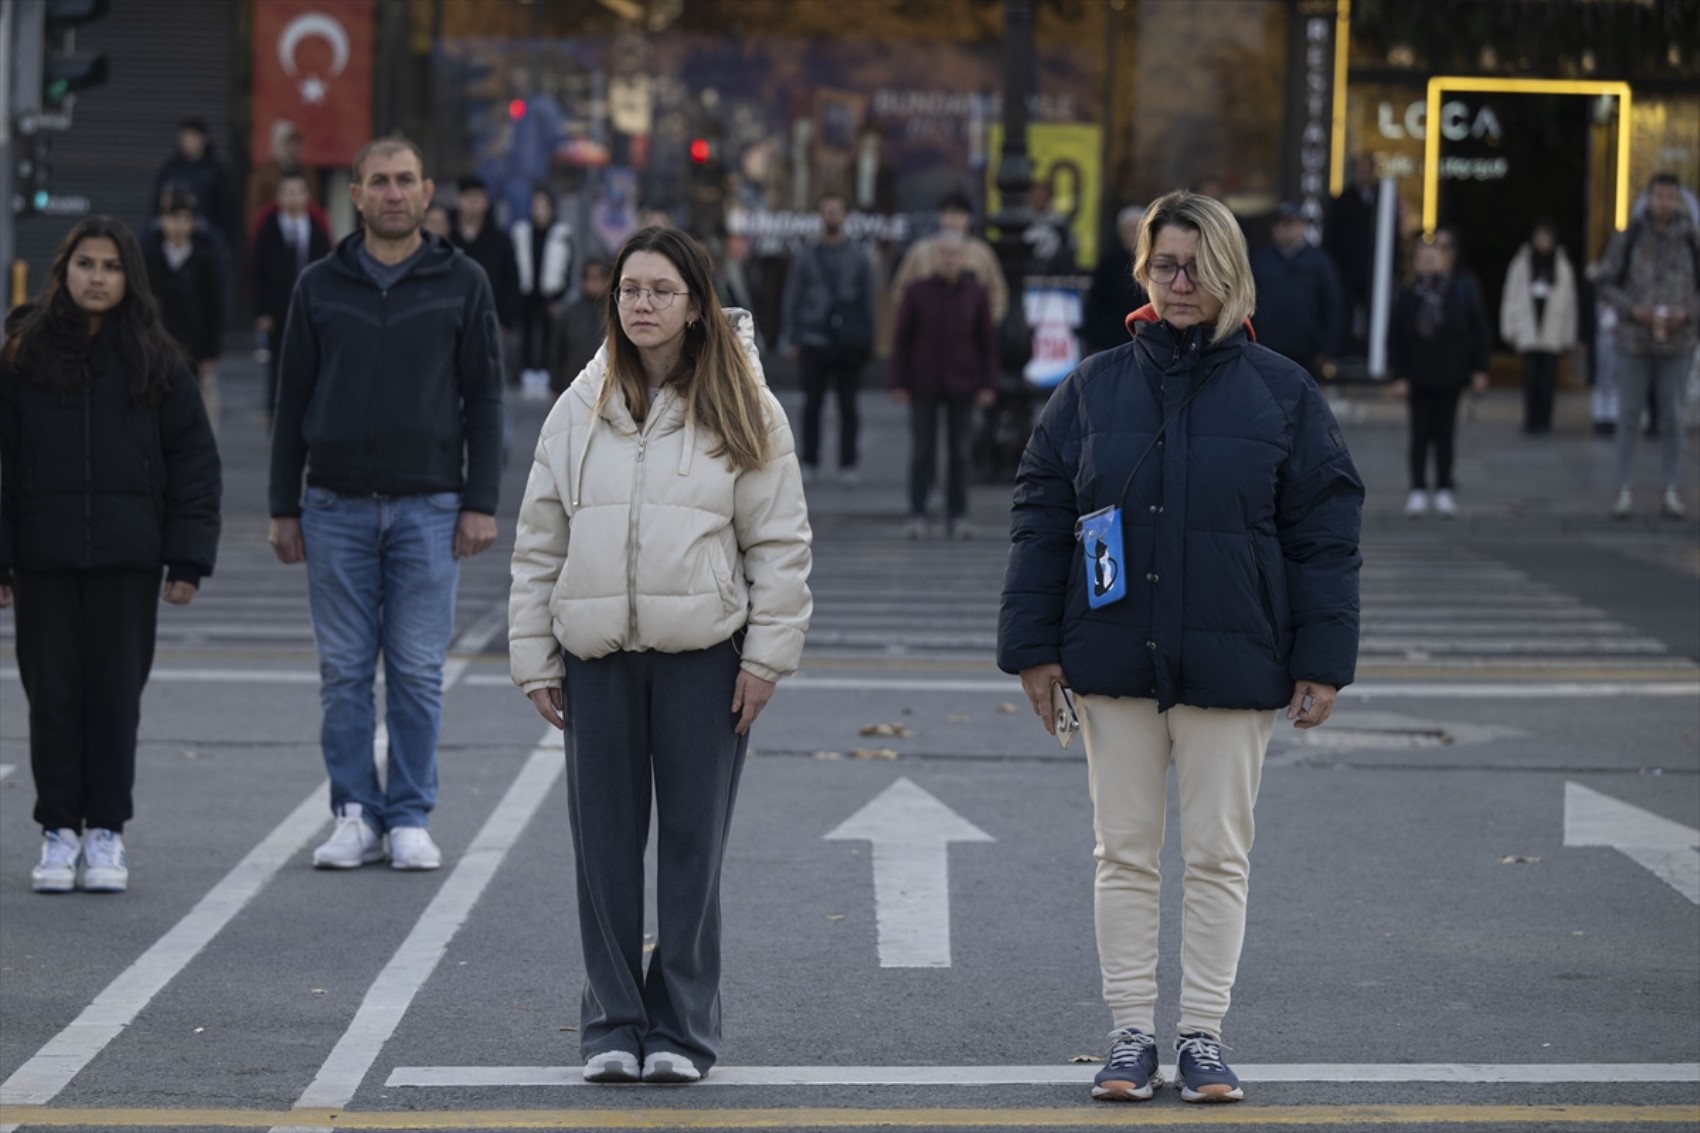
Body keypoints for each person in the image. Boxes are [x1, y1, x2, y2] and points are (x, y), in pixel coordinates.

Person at [997, 190, 1362, 1106]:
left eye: (1198, 266)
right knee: (1121, 851)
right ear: (1143, 271)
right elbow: (1041, 518)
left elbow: (1325, 531)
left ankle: (1202, 1034)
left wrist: (1323, 658)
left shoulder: (1283, 391)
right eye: (1166, 264)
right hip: (1114, 656)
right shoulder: (1093, 386)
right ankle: (1129, 1035)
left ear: (1232, 271)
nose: (1181, 281)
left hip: (1235, 660)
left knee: (1217, 855)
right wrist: (1032, 651)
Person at [508, 226, 812, 1085]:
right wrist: (535, 655)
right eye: (629, 289)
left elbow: (780, 542)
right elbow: (541, 536)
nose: (641, 304)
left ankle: (681, 1028)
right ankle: (612, 1021)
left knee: (691, 845)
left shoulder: (743, 405)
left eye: (660, 290)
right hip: (597, 656)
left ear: (696, 303)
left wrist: (765, 659)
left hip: (704, 656)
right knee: (602, 847)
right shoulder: (581, 402)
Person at [268, 136, 505, 872]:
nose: (394, 193)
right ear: (358, 196)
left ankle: (407, 813)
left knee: (414, 669)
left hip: (429, 506)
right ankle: (353, 811)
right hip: (333, 505)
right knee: (343, 671)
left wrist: (481, 501)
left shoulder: (462, 281)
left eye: (406, 179)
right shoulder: (318, 284)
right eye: (380, 181)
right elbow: (292, 398)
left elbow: (486, 397)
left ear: (427, 191)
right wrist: (283, 503)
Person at [0, 216, 221, 894]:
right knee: (53, 698)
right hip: (44, 558)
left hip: (129, 560)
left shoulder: (158, 360)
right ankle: (58, 830)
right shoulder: (22, 354)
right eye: (86, 263)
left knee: (115, 698)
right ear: (63, 270)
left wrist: (186, 559)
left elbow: (194, 463)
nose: (97, 277)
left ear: (130, 278)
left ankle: (106, 833)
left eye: (111, 266)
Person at [1597, 172, 1699, 519]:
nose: (1664, 203)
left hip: (1678, 341)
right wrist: (1632, 310)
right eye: (1659, 196)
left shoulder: (1691, 240)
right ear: (1648, 198)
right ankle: (1623, 490)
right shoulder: (1629, 237)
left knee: (1673, 417)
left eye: (1671, 197)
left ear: (1679, 201)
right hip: (1634, 341)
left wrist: (1686, 313)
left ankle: (1670, 490)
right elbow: (1605, 280)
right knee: (1628, 417)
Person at [889, 232, 997, 539]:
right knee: (922, 449)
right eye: (943, 254)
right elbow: (901, 341)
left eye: (954, 254)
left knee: (960, 452)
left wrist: (988, 383)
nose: (948, 260)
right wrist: (898, 381)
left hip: (963, 382)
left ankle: (958, 515)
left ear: (963, 259)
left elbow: (987, 342)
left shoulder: (976, 292)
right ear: (933, 258)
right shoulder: (916, 291)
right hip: (923, 381)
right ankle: (917, 512)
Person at [1388, 237, 1491, 518]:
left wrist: (1479, 369)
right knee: (1419, 434)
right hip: (1417, 375)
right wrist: (1398, 375)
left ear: (1445, 261)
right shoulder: (1408, 295)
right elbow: (1395, 337)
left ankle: (1444, 488)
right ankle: (1418, 489)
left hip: (1451, 374)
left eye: (1434, 257)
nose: (1429, 262)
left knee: (1445, 434)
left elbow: (1476, 331)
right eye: (1423, 258)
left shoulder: (1459, 292)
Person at [780, 192, 876, 483]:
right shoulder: (807, 256)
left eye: (836, 210)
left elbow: (868, 301)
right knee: (812, 405)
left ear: (845, 214)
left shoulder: (859, 257)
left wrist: (868, 341)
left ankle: (848, 463)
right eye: (827, 211)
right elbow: (792, 296)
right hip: (813, 338)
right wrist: (792, 336)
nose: (831, 216)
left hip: (847, 341)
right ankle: (810, 460)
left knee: (849, 405)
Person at [143, 188, 228, 439]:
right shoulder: (149, 254)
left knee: (199, 400)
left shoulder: (206, 256)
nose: (178, 226)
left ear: (192, 223)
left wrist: (212, 350)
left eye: (183, 219)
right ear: (161, 221)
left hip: (196, 343)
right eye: (172, 218)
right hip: (158, 343)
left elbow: (216, 304)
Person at [250, 171, 332, 425]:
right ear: (278, 196)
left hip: (313, 308)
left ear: (307, 196)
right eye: (287, 192)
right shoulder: (268, 228)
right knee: (279, 366)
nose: (293, 197)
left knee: (315, 363)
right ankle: (278, 420)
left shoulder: (317, 227)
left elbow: (329, 268)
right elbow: (256, 271)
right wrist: (261, 311)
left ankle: (312, 419)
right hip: (278, 308)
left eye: (298, 191)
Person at [1499, 221, 1579, 435]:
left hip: (1552, 331)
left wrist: (1568, 335)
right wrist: (1509, 328)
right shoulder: (1521, 263)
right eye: (1539, 238)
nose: (1543, 243)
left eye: (1547, 238)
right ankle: (1530, 419)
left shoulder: (1562, 266)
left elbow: (1570, 302)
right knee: (1530, 379)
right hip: (1528, 329)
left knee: (1548, 381)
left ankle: (1545, 420)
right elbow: (1510, 296)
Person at [1249, 202, 1343, 378]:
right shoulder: (1260, 259)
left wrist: (1328, 349)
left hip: (1306, 350)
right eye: (1279, 223)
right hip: (1266, 346)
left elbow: (1332, 306)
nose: (1284, 229)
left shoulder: (1319, 262)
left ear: (1302, 225)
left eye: (1290, 223)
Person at [890, 191, 1010, 324]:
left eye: (958, 214)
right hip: (928, 331)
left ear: (968, 218)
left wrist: (987, 323)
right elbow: (900, 289)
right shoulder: (921, 250)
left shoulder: (982, 253)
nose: (951, 220)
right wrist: (913, 319)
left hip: (968, 333)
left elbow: (998, 292)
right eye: (946, 213)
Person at [512, 184, 574, 399]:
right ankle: (527, 372)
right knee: (527, 333)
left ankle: (548, 374)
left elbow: (568, 266)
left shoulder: (561, 233)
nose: (539, 209)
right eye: (536, 204)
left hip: (551, 293)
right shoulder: (521, 232)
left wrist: (561, 294)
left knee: (550, 334)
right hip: (527, 292)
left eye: (543, 205)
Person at [449, 175, 521, 347]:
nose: (474, 203)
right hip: (450, 319)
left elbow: (511, 280)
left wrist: (506, 322)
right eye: (469, 197)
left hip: (489, 320)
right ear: (459, 200)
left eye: (479, 198)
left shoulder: (500, 240)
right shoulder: (446, 236)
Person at [152, 118, 235, 253]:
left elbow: (226, 208)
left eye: (192, 136)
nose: (187, 140)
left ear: (204, 139)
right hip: (170, 227)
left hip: (203, 228)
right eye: (184, 136)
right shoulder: (171, 168)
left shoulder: (216, 170)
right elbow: (157, 203)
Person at [1083, 204, 1148, 355]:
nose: (1133, 235)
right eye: (1128, 230)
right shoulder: (1108, 264)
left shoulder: (1154, 264)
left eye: (1137, 229)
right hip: (1111, 342)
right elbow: (1094, 304)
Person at [548, 258, 609, 394]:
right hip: (573, 384)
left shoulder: (616, 312)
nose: (597, 282)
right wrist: (554, 385)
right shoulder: (569, 313)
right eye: (593, 277)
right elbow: (557, 351)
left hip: (607, 386)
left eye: (601, 277)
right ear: (584, 280)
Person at [246, 120, 322, 226]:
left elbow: (314, 205)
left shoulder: (308, 172)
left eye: (295, 144)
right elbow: (254, 210)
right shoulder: (262, 175)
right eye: (287, 144)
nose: (291, 149)